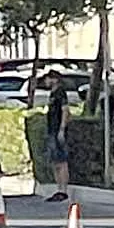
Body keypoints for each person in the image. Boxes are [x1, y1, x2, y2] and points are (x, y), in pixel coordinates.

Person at [44, 69, 71, 202]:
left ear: (54, 79)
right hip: (52, 129)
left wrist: (62, 129)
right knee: (55, 161)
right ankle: (58, 188)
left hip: (57, 130)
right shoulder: (53, 93)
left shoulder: (60, 93)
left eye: (48, 78)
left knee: (61, 160)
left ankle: (63, 190)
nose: (46, 81)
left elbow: (65, 111)